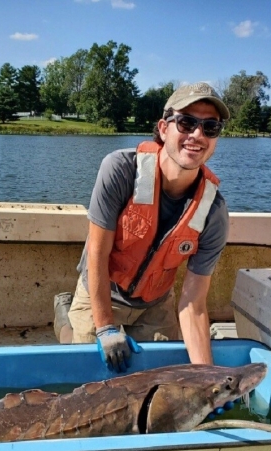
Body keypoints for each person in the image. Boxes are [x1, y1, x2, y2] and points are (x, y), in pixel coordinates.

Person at [54, 82, 230, 374]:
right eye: (186, 123)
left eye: (210, 127)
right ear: (163, 128)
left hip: (155, 303)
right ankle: (66, 320)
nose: (197, 135)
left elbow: (194, 303)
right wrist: (106, 328)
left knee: (161, 378)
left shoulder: (214, 212)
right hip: (103, 289)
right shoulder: (120, 169)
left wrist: (207, 380)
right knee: (85, 370)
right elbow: (97, 253)